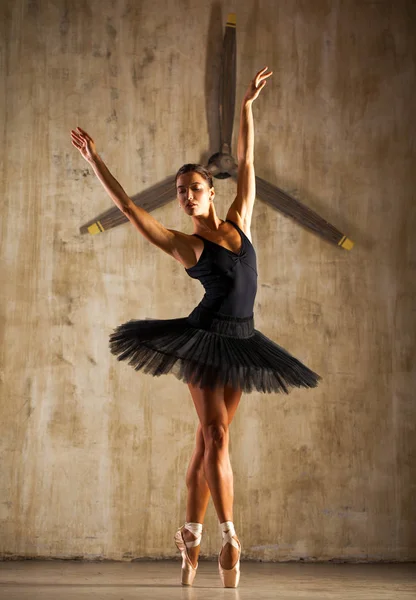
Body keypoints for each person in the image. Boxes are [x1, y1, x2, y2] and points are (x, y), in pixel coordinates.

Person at [70, 66, 320, 588]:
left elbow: (249, 161)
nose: (186, 196)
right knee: (215, 434)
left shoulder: (238, 222)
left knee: (207, 448)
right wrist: (97, 161)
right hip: (204, 341)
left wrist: (247, 106)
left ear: (211, 190)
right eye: (181, 191)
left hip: (245, 342)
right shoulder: (187, 245)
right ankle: (230, 539)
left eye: (194, 188)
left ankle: (189, 538)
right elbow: (129, 208)